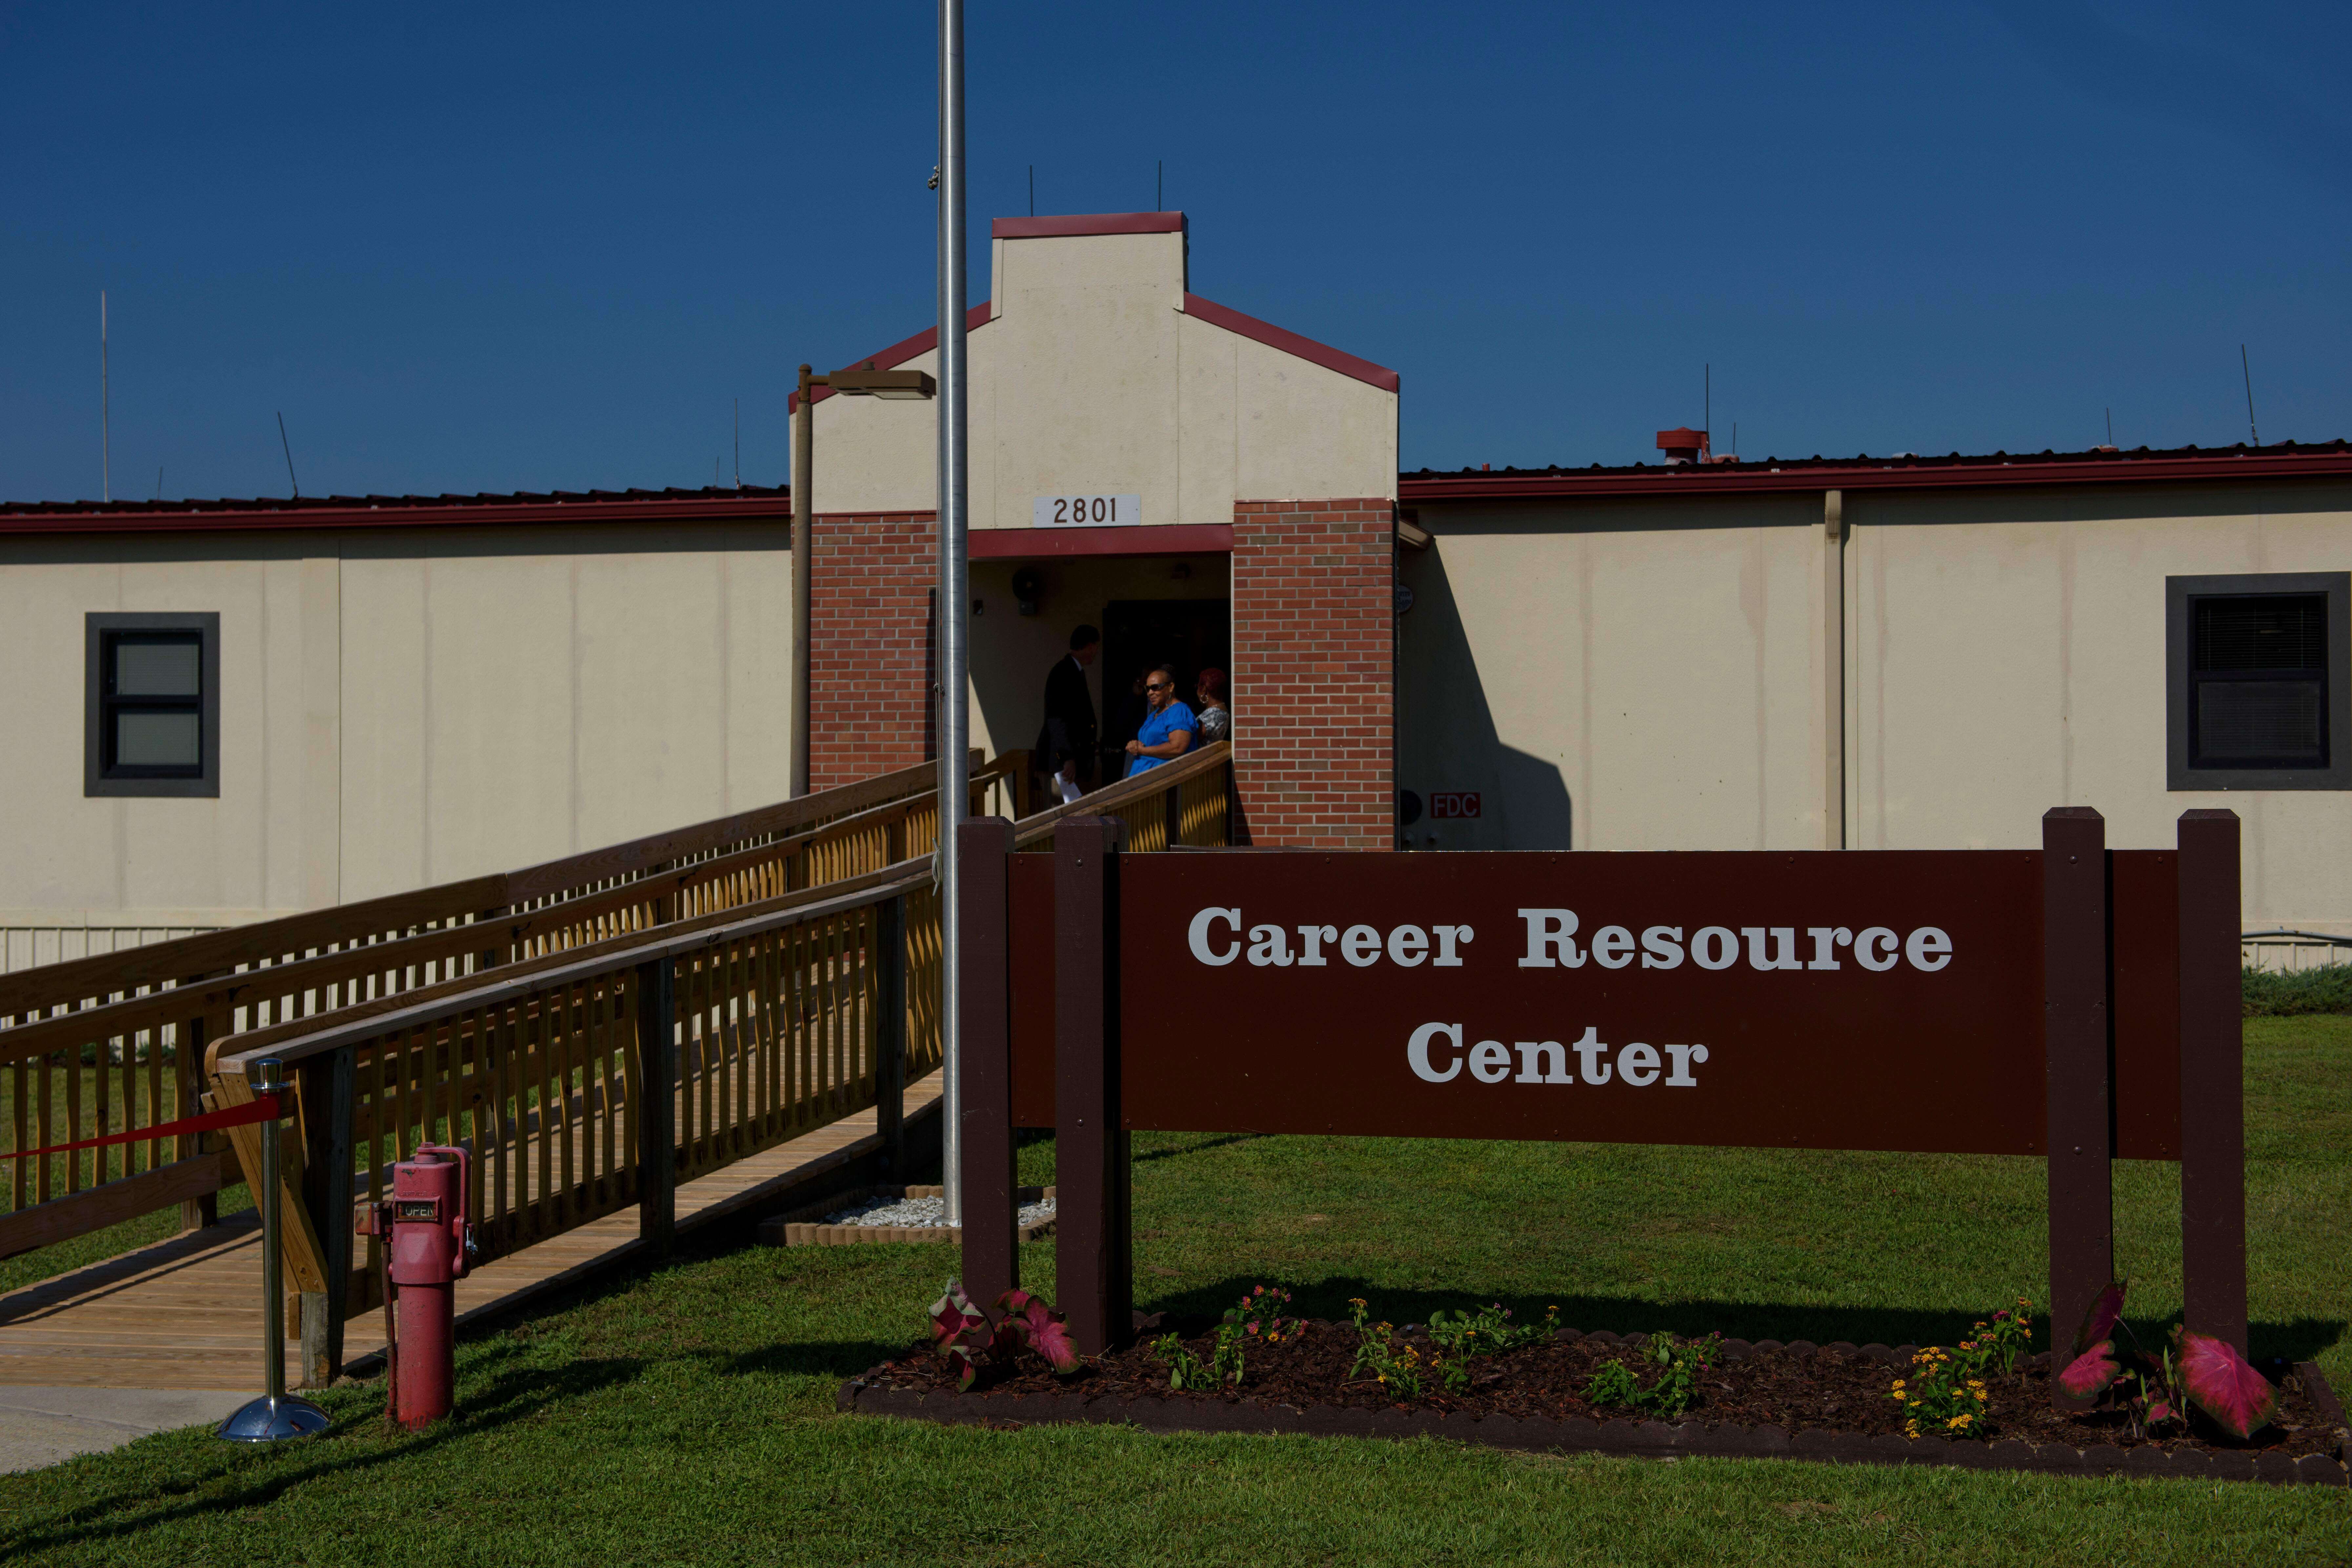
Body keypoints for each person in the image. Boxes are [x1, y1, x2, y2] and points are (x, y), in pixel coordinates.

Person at [1034, 625, 1099, 803]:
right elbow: (1057, 719)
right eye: (1095, 647)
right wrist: (1067, 757)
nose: (1096, 652)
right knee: (1062, 817)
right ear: (1091, 646)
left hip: (1070, 760)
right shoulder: (1064, 672)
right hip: (1061, 763)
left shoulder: (1074, 671)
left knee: (1073, 819)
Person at [1123, 664, 1197, 776]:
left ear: (1171, 687)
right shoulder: (1154, 715)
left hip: (1161, 783)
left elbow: (1177, 748)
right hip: (1141, 779)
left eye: (1155, 687)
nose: (1150, 693)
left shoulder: (1179, 711)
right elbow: (1148, 742)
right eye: (1147, 689)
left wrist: (1142, 751)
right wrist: (1135, 744)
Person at [1194, 668, 1231, 745]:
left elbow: (1190, 738)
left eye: (1197, 688)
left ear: (1204, 690)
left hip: (1201, 757)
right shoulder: (1221, 711)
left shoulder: (1214, 714)